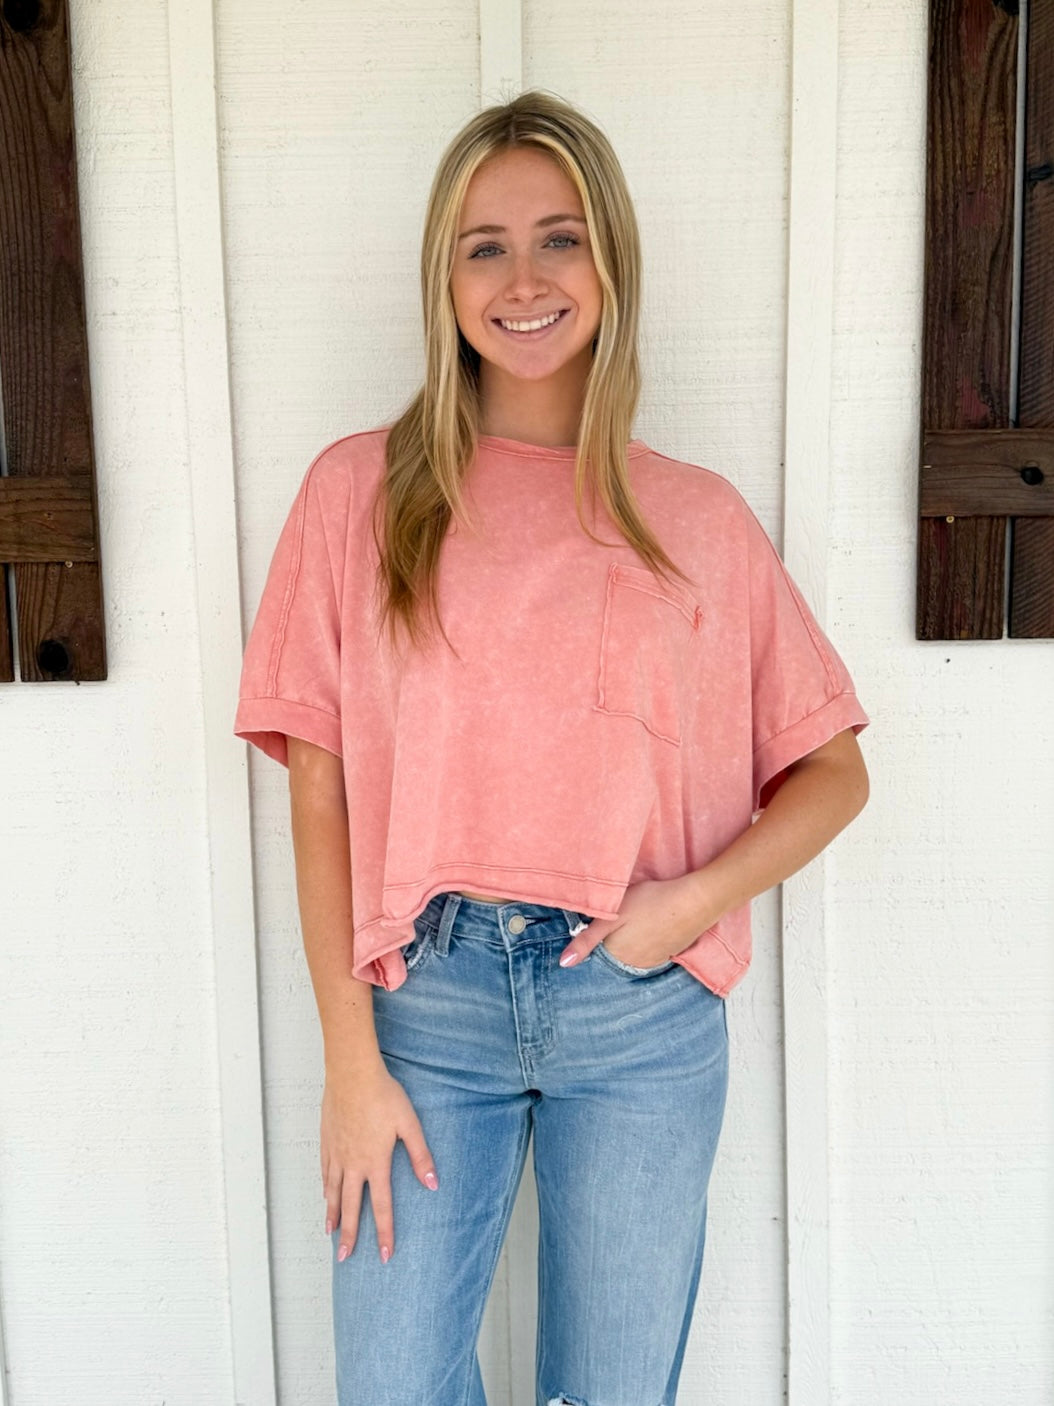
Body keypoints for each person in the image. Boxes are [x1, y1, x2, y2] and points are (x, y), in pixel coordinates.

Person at [234, 89, 870, 1406]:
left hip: (638, 1010)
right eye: (485, 246)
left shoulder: (696, 521)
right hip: (427, 1004)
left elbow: (833, 772)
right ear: (445, 278)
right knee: (393, 1385)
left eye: (558, 238)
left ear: (610, 260)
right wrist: (350, 1062)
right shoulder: (361, 492)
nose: (522, 279)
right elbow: (319, 790)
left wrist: (683, 908)